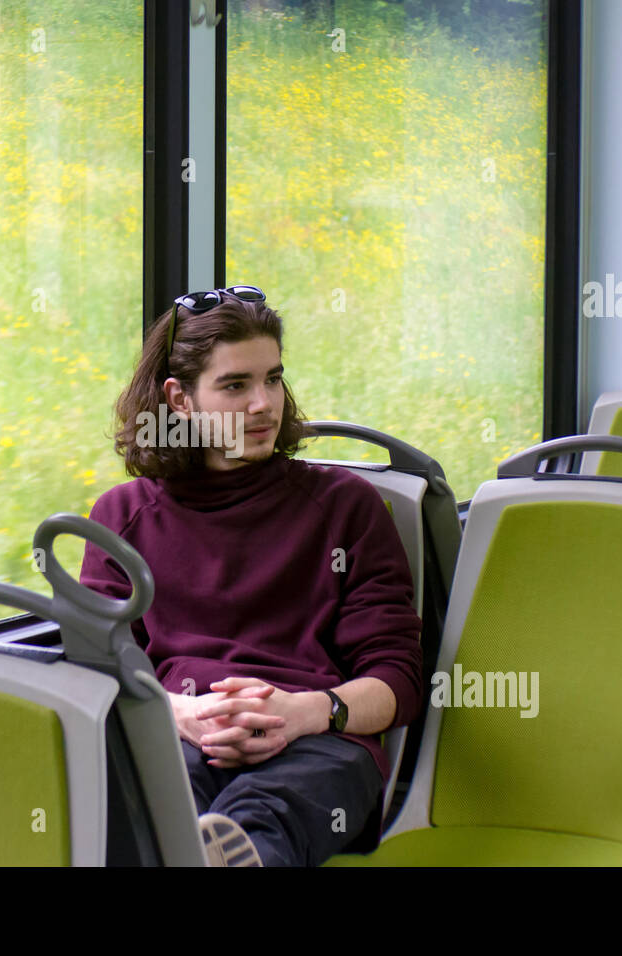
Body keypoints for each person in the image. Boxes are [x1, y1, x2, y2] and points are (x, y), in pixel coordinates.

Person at [79, 286, 425, 866]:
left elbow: (398, 680)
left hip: (319, 743)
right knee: (157, 799)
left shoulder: (347, 507)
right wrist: (180, 715)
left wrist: (307, 711)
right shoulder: (121, 519)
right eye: (236, 385)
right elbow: (96, 671)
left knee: (268, 810)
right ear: (180, 399)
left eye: (273, 379)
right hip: (181, 735)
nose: (265, 404)